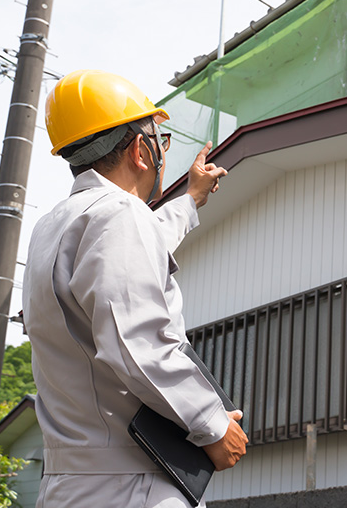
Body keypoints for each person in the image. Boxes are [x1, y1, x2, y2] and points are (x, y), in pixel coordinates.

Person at [22, 69, 247, 507]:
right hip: (130, 484)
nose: (164, 152)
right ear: (142, 151)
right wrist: (212, 423)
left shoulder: (54, 226)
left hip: (73, 482)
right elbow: (137, 339)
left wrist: (190, 199)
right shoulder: (119, 215)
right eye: (161, 142)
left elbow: (125, 259)